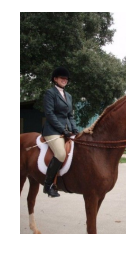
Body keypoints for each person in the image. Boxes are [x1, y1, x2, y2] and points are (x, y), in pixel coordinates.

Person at [42, 67, 79, 197]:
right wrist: (62, 129)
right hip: (52, 130)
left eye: (66, 78)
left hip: (67, 131)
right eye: (62, 78)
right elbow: (50, 114)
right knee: (61, 154)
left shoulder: (68, 96)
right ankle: (48, 185)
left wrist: (74, 129)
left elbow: (70, 116)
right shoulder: (50, 93)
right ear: (55, 79)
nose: (64, 80)